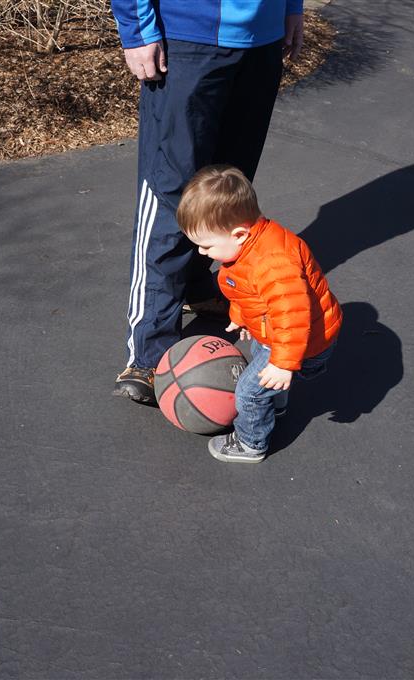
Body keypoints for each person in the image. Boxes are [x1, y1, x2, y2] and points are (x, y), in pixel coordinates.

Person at [109, 0, 306, 404]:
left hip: (263, 38)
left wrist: (291, 7)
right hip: (187, 36)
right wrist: (137, 28)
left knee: (226, 191)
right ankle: (149, 351)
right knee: (172, 194)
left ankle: (196, 286)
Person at [177, 165, 342, 463]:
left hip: (301, 341)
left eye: (206, 245)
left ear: (239, 234)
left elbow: (293, 316)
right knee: (259, 360)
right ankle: (275, 405)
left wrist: (283, 363)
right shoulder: (247, 247)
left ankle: (251, 443)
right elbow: (245, 289)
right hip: (276, 334)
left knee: (249, 392)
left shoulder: (274, 263)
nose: (201, 252)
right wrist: (240, 315)